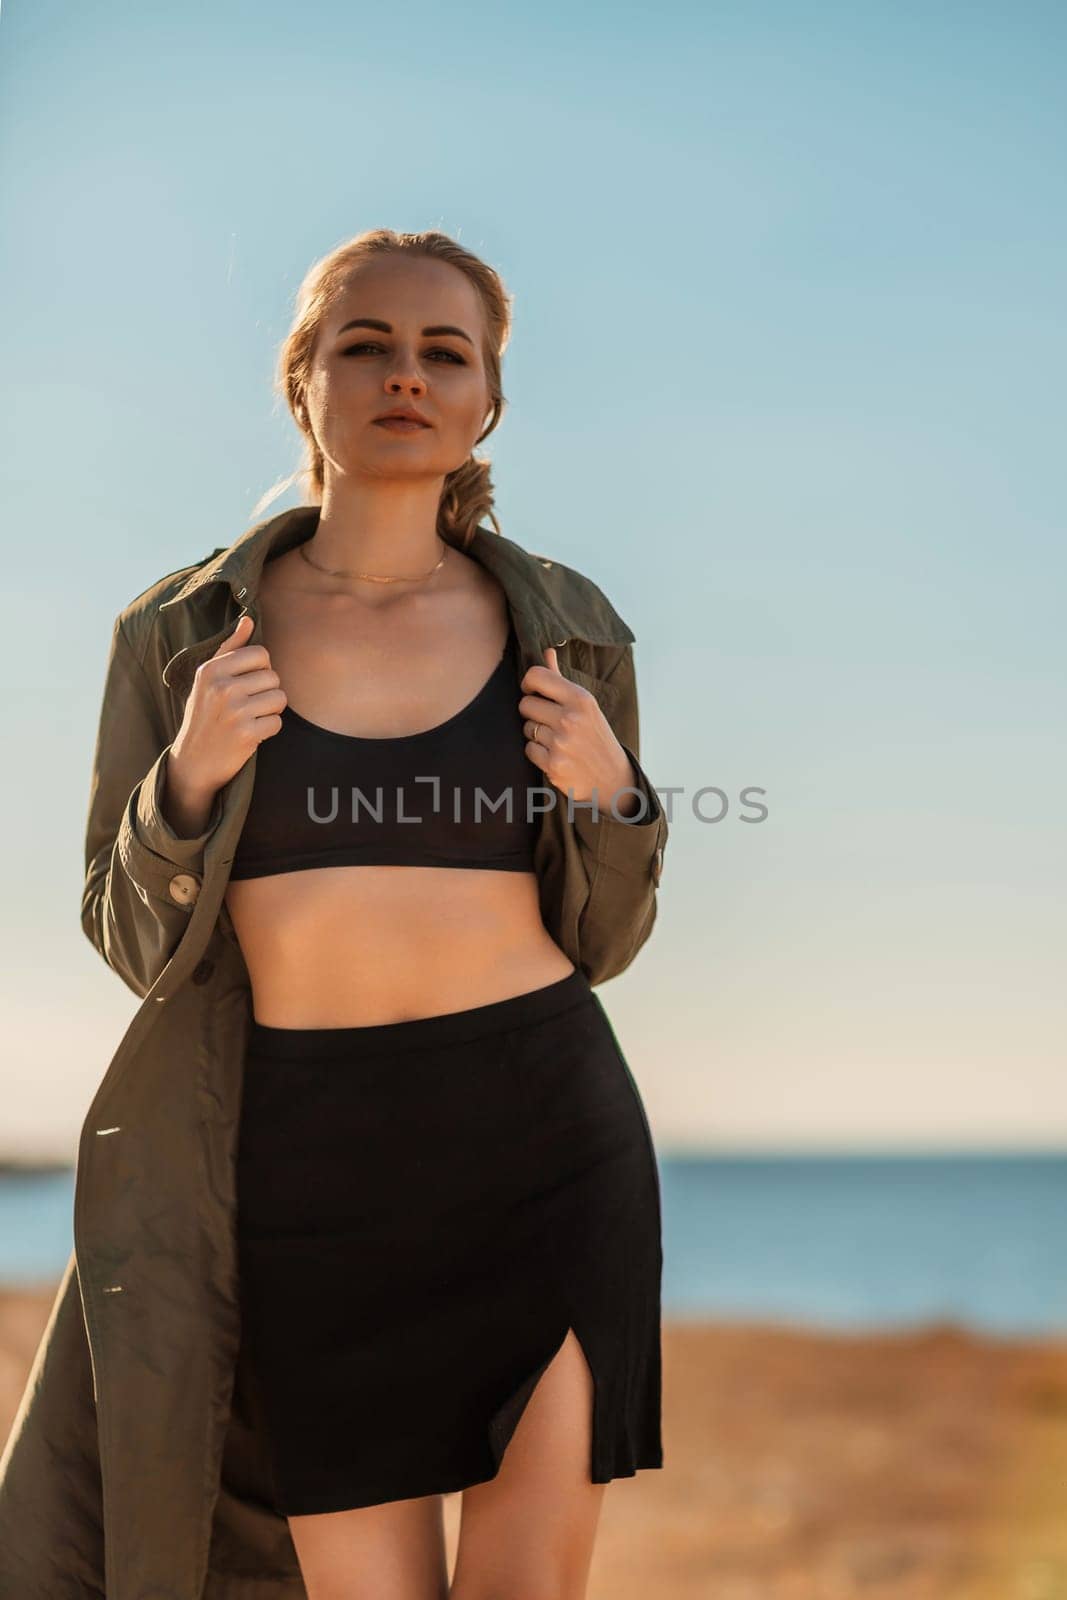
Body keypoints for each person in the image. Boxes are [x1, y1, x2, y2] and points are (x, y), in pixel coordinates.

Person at [0, 227, 668, 1600]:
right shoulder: (180, 636)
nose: (406, 376)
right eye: (364, 345)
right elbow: (132, 943)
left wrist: (617, 798)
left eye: (446, 352)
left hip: (546, 1131)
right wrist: (186, 780)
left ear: (488, 399)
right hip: (306, 1164)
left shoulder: (571, 629)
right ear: (302, 381)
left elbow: (604, 942)